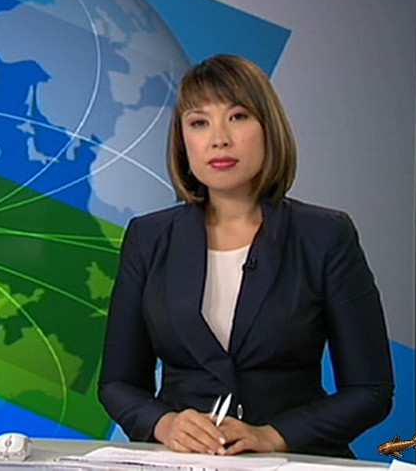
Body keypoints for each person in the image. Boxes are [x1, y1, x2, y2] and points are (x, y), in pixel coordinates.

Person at [97, 54, 394, 458]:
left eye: (237, 117)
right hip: (185, 463)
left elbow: (370, 390)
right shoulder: (149, 238)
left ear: (268, 127)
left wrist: (275, 435)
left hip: (292, 461)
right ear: (183, 141)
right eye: (199, 123)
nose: (219, 139)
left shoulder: (325, 235)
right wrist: (165, 424)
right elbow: (118, 383)